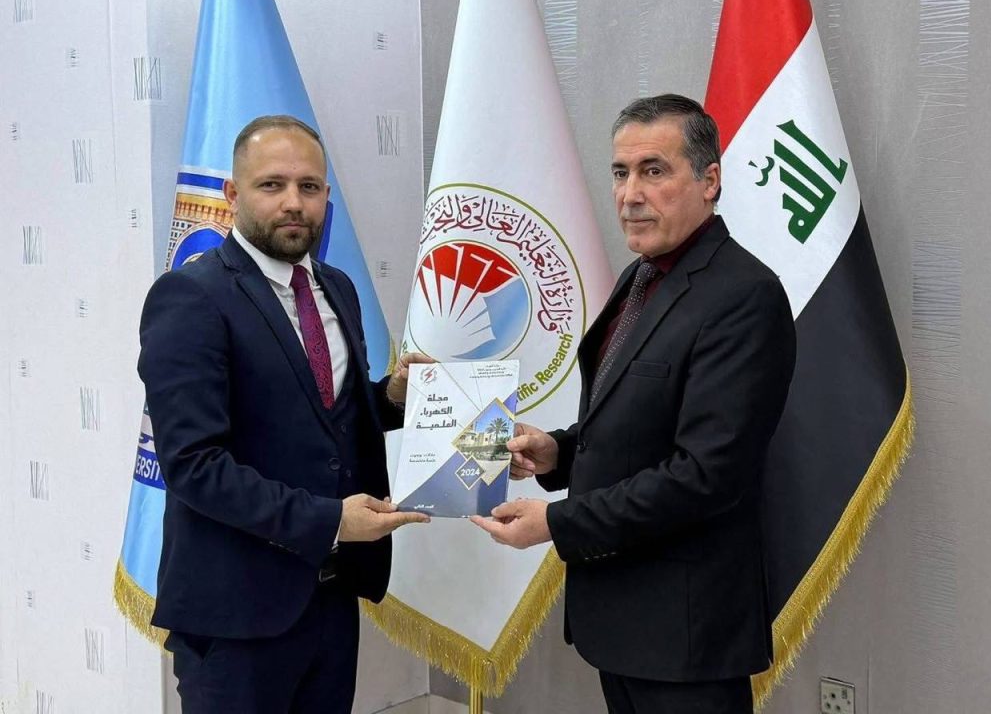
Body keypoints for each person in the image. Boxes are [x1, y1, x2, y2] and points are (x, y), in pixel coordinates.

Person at [471, 95, 797, 714]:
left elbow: (706, 475)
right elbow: (635, 424)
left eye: (654, 170)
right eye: (621, 173)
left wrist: (557, 523)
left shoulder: (744, 296)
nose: (629, 194)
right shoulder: (643, 276)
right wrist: (558, 452)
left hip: (685, 632)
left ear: (709, 180)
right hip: (624, 620)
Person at [138, 115, 430, 713]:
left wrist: (392, 398)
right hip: (236, 617)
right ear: (232, 194)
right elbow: (194, 465)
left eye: (309, 186)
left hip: (332, 600)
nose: (294, 202)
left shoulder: (338, 288)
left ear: (326, 196)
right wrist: (330, 520)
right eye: (272, 185)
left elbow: (323, 421)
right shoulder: (191, 296)